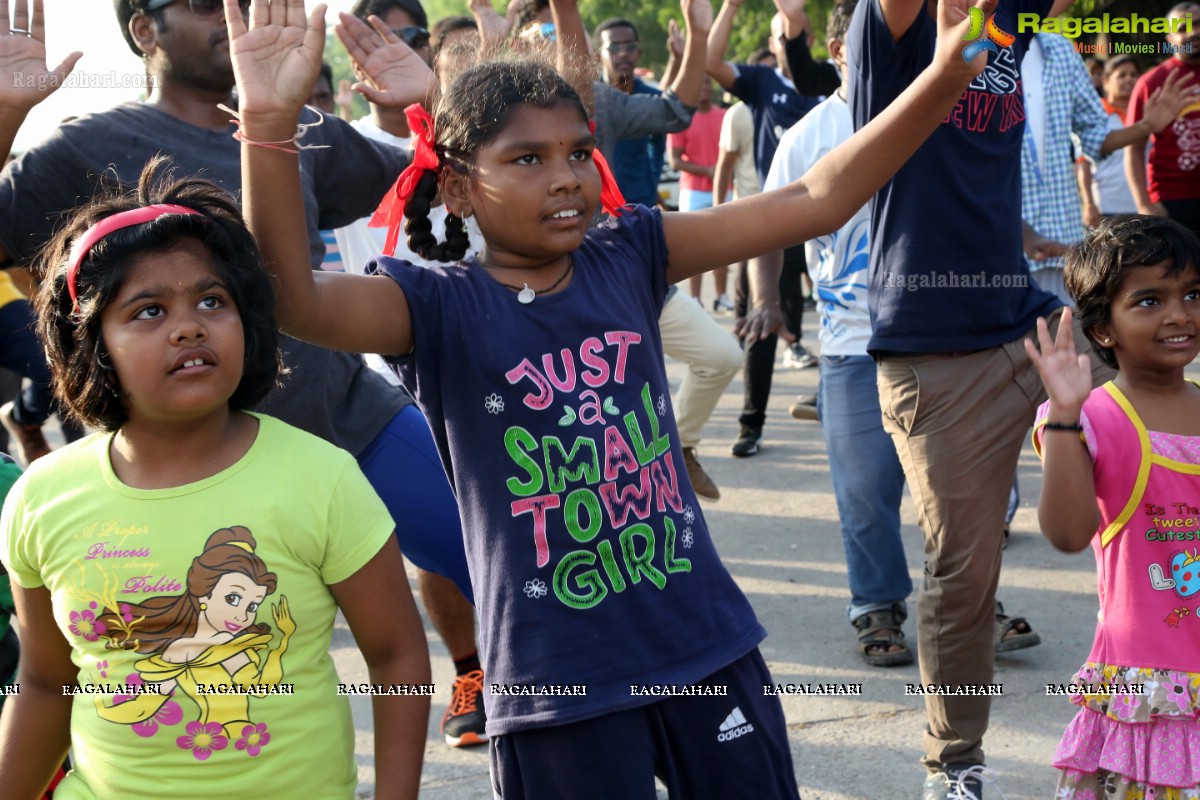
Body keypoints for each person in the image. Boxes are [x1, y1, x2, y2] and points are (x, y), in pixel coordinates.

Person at [230, 0, 996, 794]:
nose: (563, 176)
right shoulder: (436, 307)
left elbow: (814, 199)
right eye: (526, 159)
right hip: (557, 680)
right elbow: (290, 297)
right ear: (456, 190)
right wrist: (267, 124)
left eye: (577, 151)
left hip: (703, 641)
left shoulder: (629, 254)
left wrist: (940, 81)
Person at [0, 0, 484, 751]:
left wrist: (428, 103)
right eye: (200, 5)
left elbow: (443, 182)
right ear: (142, 30)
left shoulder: (307, 129)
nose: (228, 20)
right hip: (196, 477)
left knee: (515, 566)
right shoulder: (83, 147)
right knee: (239, 701)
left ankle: (549, 714)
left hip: (356, 425)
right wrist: (2, 117)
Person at [0, 158, 430, 799]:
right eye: (147, 311)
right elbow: (43, 682)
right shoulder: (42, 497)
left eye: (212, 300)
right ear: (94, 347)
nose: (189, 325)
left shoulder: (322, 479)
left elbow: (399, 660)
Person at [845, 0, 1115, 795]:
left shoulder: (1010, 23)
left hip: (1025, 319)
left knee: (1177, 422)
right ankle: (954, 766)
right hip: (935, 349)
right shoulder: (891, 28)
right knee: (966, 572)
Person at [760, 0, 913, 667]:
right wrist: (767, 297)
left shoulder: (928, 118)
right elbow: (766, 223)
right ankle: (875, 605)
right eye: (862, 37)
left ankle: (974, 604)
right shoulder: (808, 135)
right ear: (837, 48)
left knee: (967, 492)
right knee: (863, 490)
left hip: (939, 339)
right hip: (851, 345)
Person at [1026, 215, 1200, 800]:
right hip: (1149, 690)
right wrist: (1066, 418)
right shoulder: (1092, 417)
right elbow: (1069, 532)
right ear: (1103, 330)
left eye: (1193, 294)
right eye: (1149, 301)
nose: (1179, 314)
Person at [709, 0, 821, 458]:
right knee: (761, 320)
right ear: (773, 45)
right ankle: (751, 425)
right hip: (771, 222)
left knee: (828, 317)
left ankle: (838, 400)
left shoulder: (830, 80)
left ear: (809, 40)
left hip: (826, 222)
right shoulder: (762, 83)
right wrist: (730, 7)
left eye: (795, 31)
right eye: (779, 34)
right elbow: (712, 63)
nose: (785, 40)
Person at [1126, 2, 1200, 237]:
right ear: (1170, 38)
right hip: (1172, 201)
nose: (1193, 32)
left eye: (1198, 24)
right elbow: (1134, 150)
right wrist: (1144, 204)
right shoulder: (1150, 83)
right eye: (1183, 28)